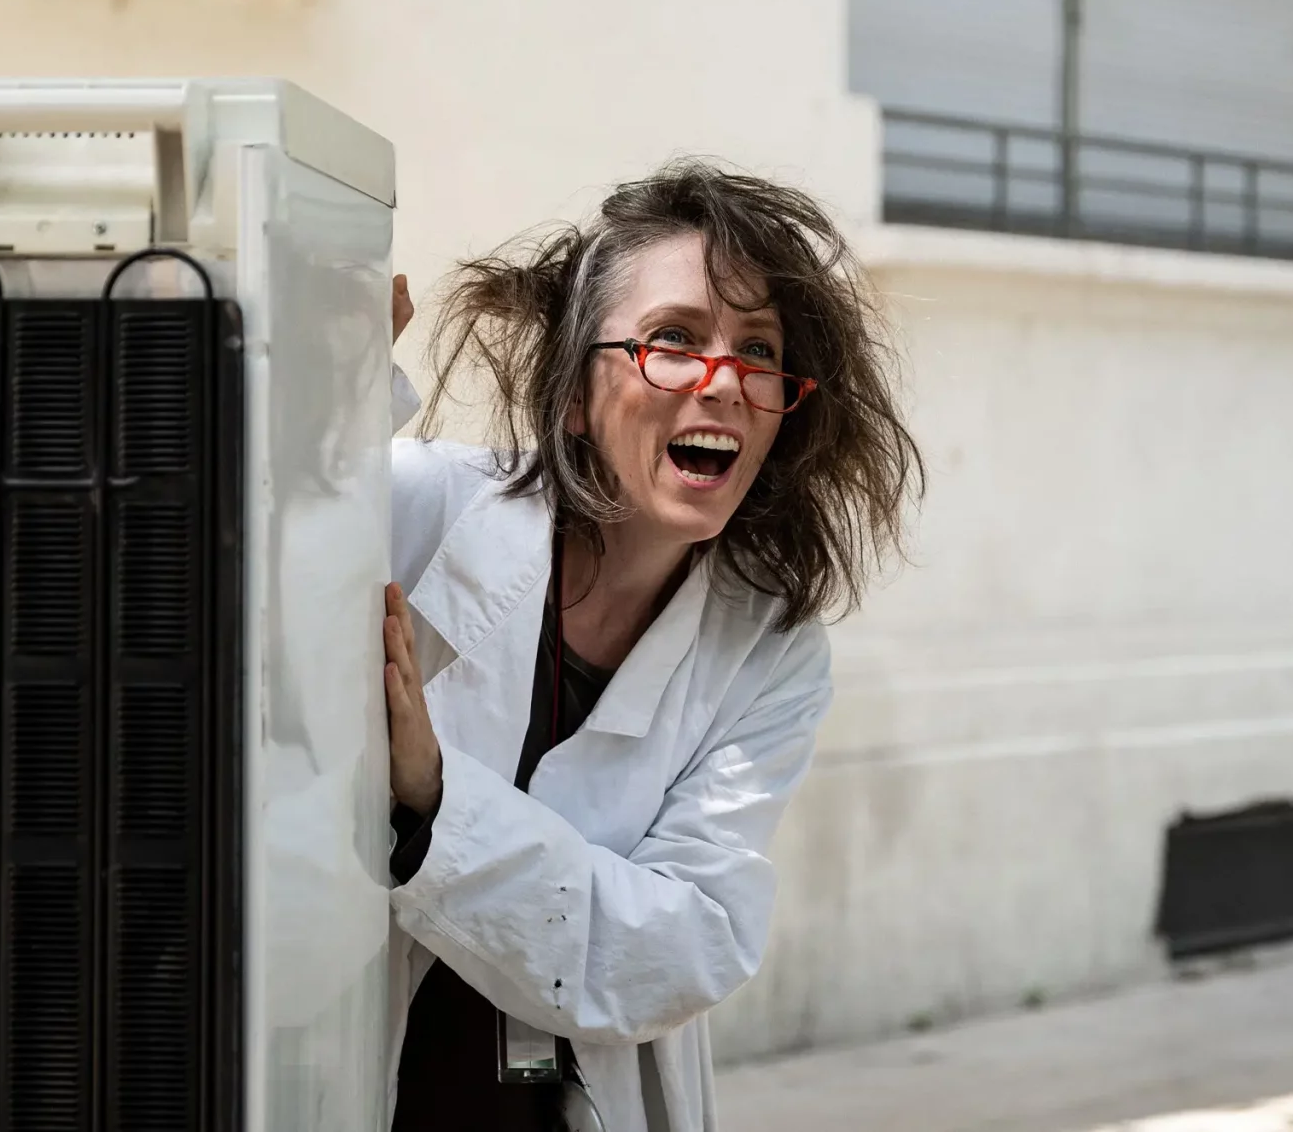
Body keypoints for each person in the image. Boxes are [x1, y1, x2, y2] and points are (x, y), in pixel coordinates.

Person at [378, 161, 923, 1132]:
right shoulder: (417, 511)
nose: (721, 383)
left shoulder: (768, 651)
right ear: (576, 391)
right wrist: (307, 409)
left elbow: (683, 945)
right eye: (673, 339)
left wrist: (434, 795)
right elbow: (211, 549)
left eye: (757, 351)